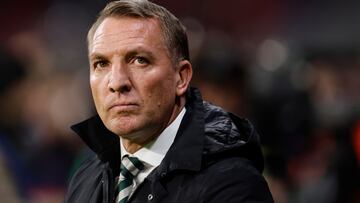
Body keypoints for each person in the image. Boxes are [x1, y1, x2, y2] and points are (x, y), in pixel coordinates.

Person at [65, 0, 274, 202]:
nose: (117, 82)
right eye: (101, 63)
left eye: (139, 60)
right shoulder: (86, 177)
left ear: (181, 77)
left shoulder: (231, 184)